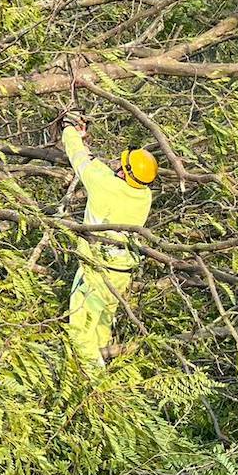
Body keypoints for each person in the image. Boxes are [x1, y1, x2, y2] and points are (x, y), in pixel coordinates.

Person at [60, 113, 158, 367]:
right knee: (103, 321)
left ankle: (95, 389)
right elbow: (98, 168)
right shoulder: (144, 195)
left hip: (96, 270)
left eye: (121, 164)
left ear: (124, 172)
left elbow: (78, 157)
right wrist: (87, 143)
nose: (116, 164)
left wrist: (70, 129)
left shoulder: (104, 184)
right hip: (122, 271)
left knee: (81, 331)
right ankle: (108, 360)